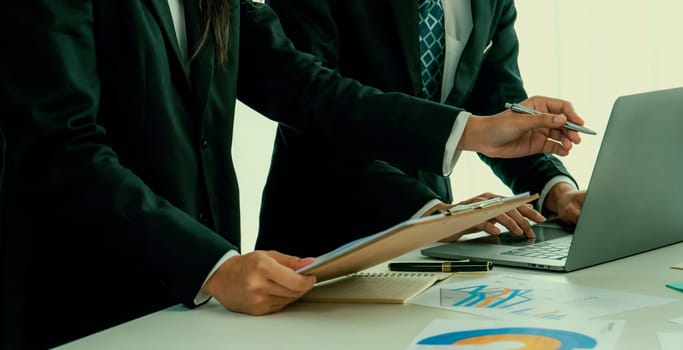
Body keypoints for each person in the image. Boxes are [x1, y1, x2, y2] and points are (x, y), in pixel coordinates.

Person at [0, 1, 585, 349]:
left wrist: (471, 132)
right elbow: (62, 148)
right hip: (85, 306)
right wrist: (212, 264)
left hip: (197, 309)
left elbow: (306, 87)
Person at [256, 0, 589, 258]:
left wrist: (557, 192)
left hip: (440, 248)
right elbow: (311, 103)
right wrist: (427, 213)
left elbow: (498, 113)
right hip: (323, 242)